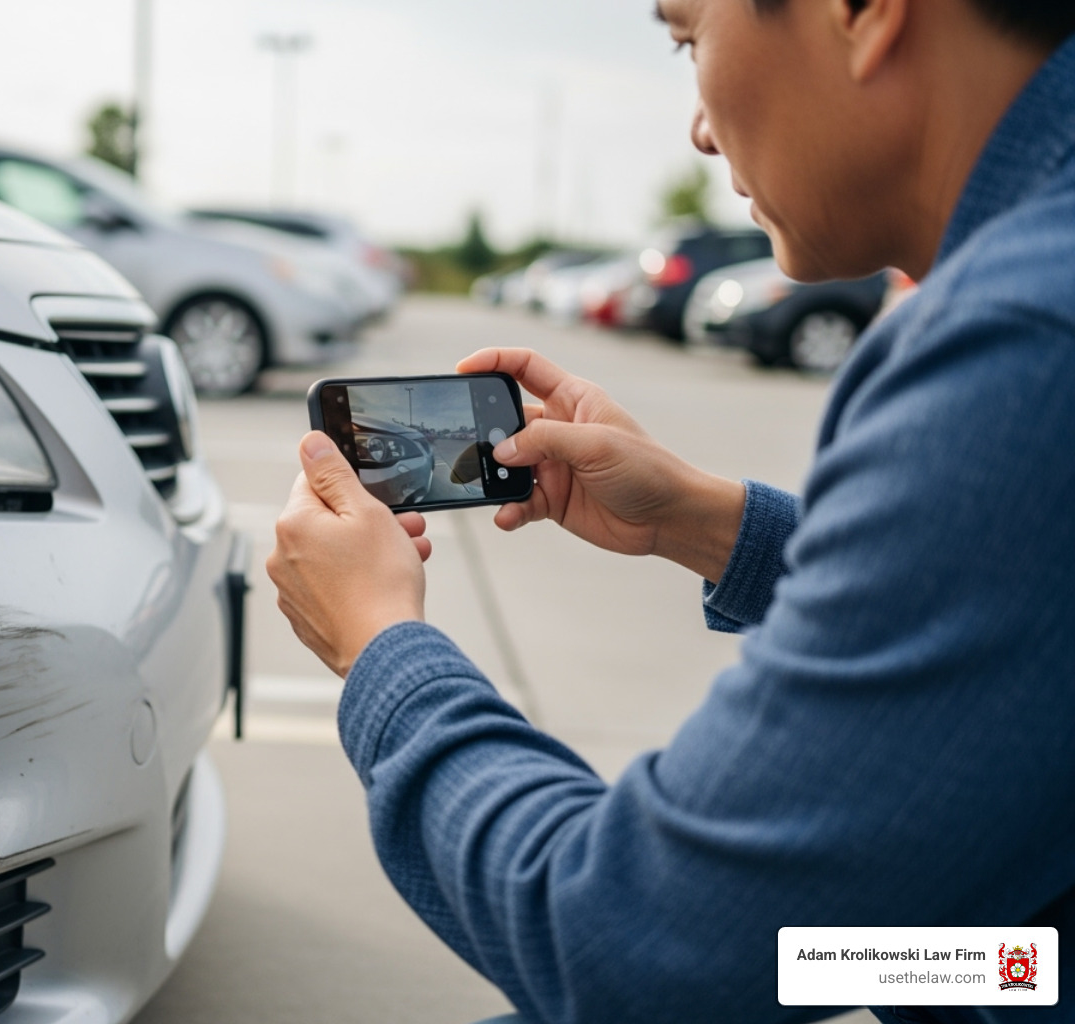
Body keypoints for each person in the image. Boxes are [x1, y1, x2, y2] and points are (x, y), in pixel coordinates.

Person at [267, 1, 1075, 1022]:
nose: (698, 126)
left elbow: (622, 941)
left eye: (689, 38)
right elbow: (1011, 617)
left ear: (860, 12)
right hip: (1010, 959)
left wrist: (379, 647)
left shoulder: (1024, 344)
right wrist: (706, 522)